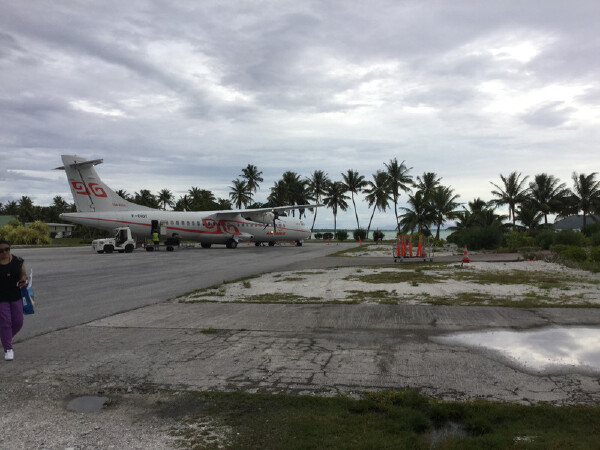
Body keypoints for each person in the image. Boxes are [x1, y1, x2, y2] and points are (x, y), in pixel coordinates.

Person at [0, 239, 27, 361]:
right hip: (1, 298)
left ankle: (5, 338)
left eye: (7, 249)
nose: (4, 252)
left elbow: (23, 274)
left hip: (15, 295)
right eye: (1, 251)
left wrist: (23, 280)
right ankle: (8, 349)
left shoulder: (18, 261)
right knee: (5, 322)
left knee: (18, 322)